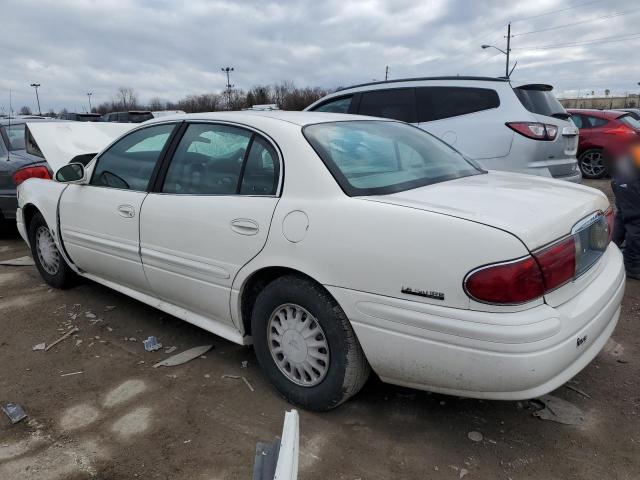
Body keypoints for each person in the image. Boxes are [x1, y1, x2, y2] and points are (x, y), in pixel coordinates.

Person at [608, 143, 640, 280]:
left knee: (623, 217)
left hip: (622, 178)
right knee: (636, 222)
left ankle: (609, 250)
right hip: (630, 180)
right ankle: (632, 265)